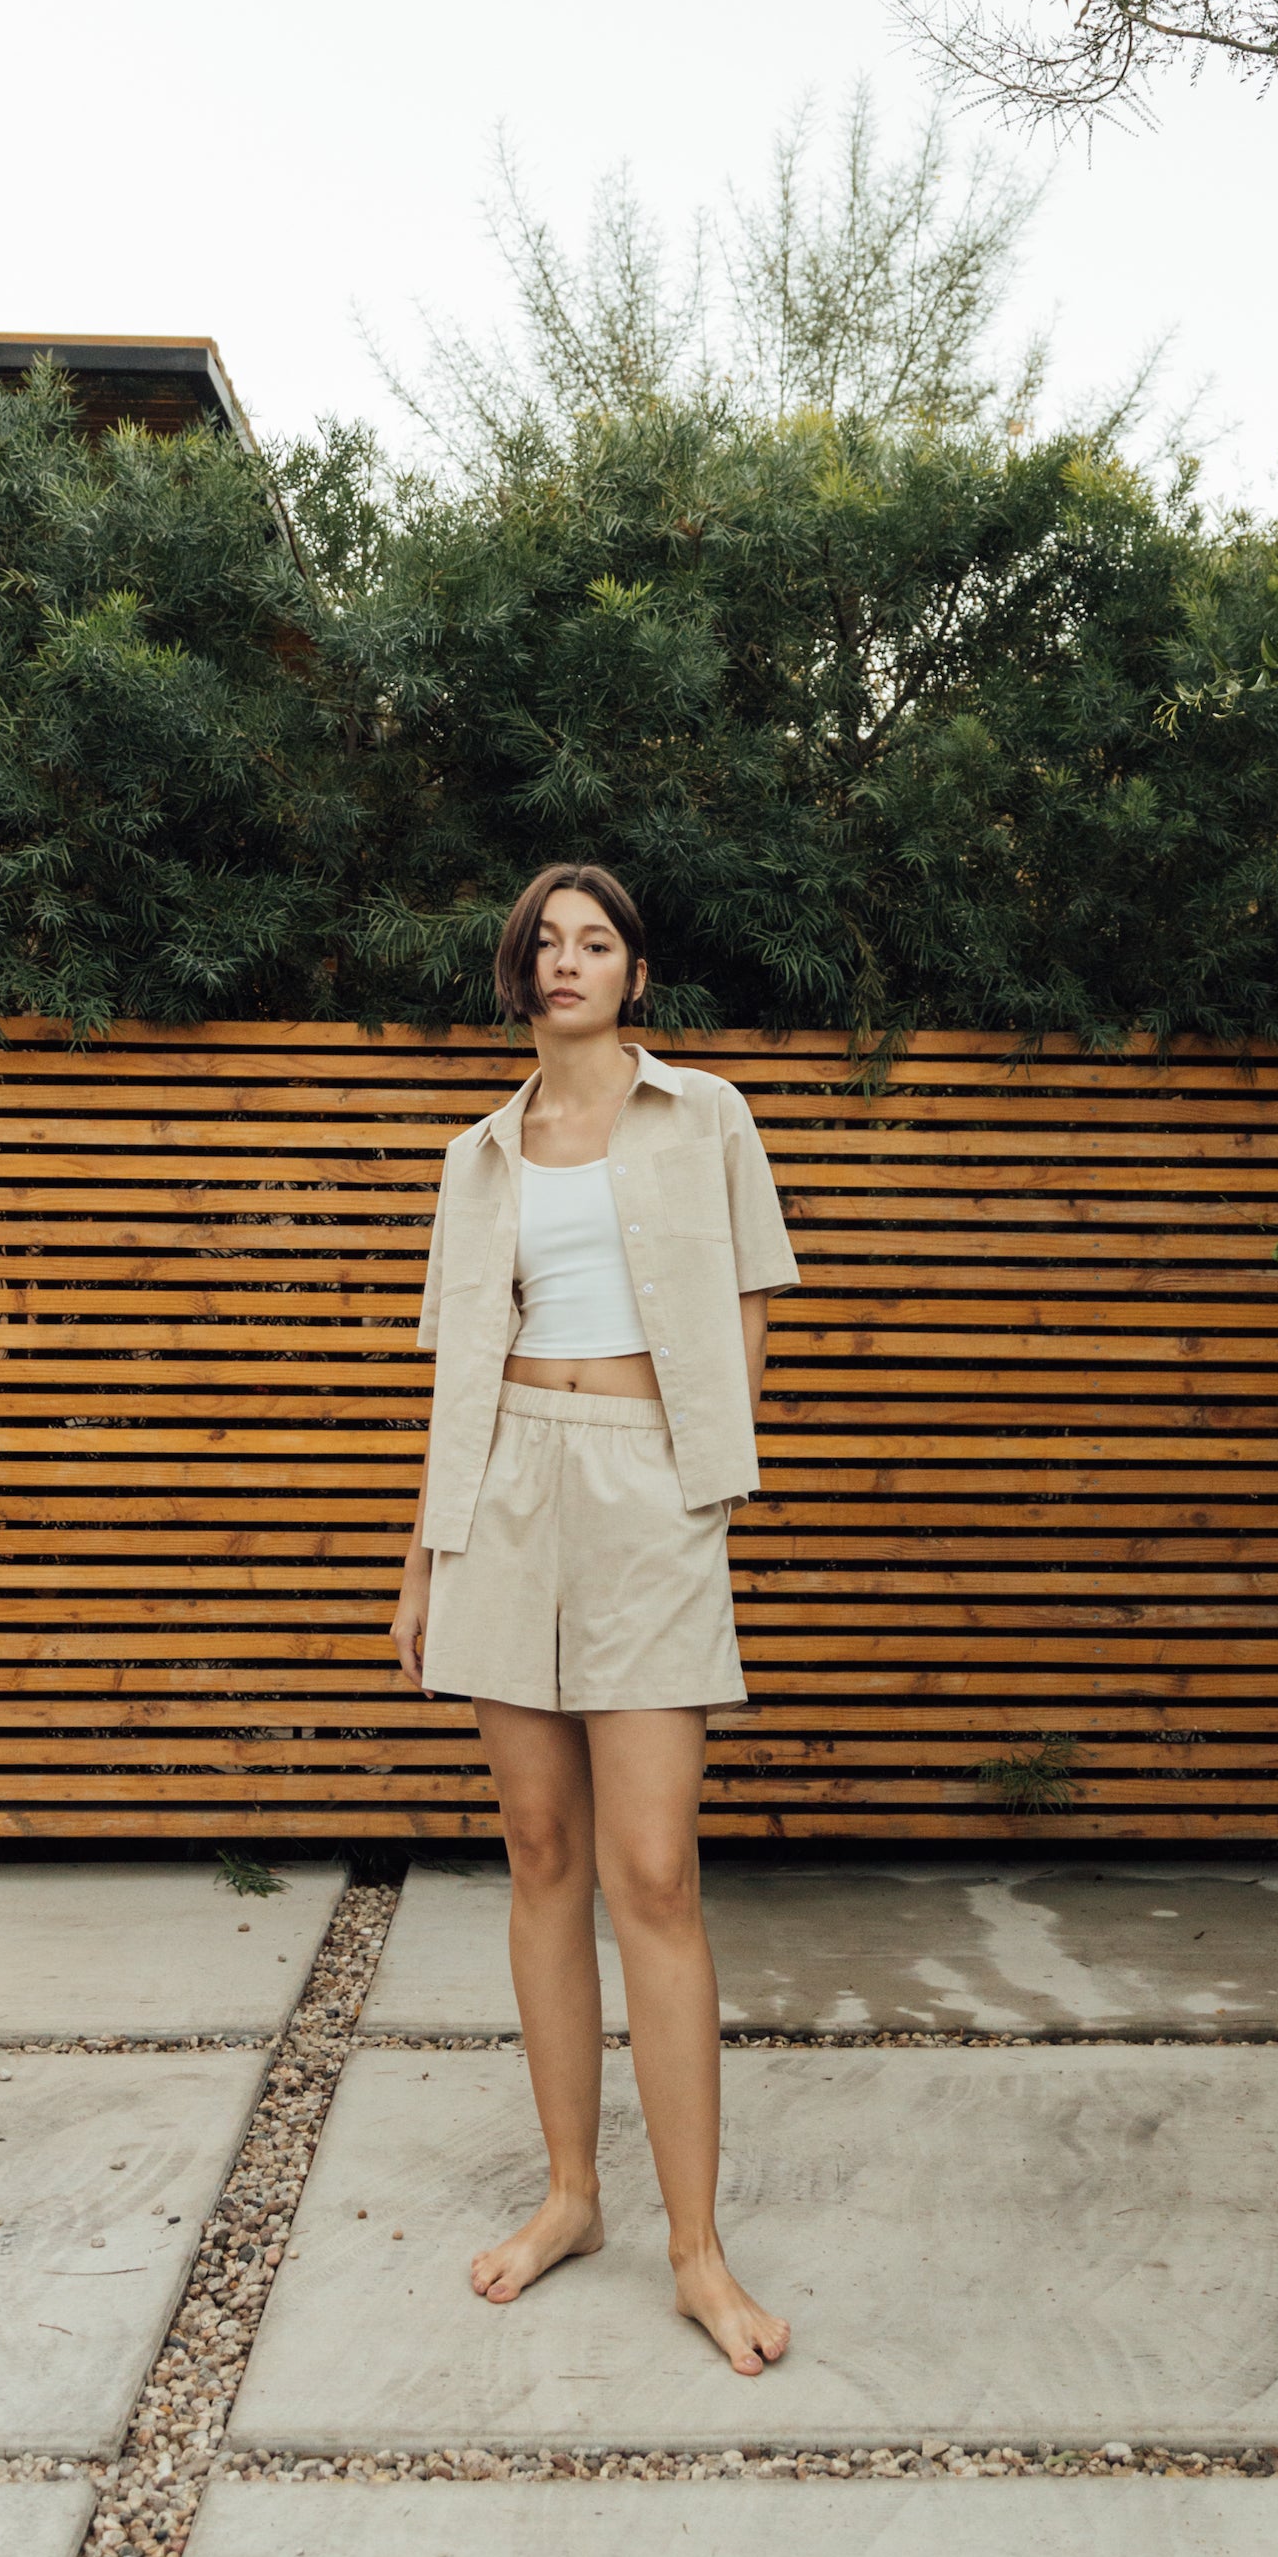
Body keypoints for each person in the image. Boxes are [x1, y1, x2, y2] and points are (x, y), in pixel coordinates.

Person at [390, 861, 800, 2376]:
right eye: (546, 943)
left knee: (653, 1871)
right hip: (502, 1492)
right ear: (520, 972)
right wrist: (427, 1560)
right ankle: (573, 2197)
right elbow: (453, 1384)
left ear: (636, 973)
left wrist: (700, 1466)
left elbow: (755, 1305)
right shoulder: (480, 1155)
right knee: (542, 1853)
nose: (568, 962)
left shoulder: (707, 1119)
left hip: (645, 1494)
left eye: (597, 941)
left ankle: (697, 2249)